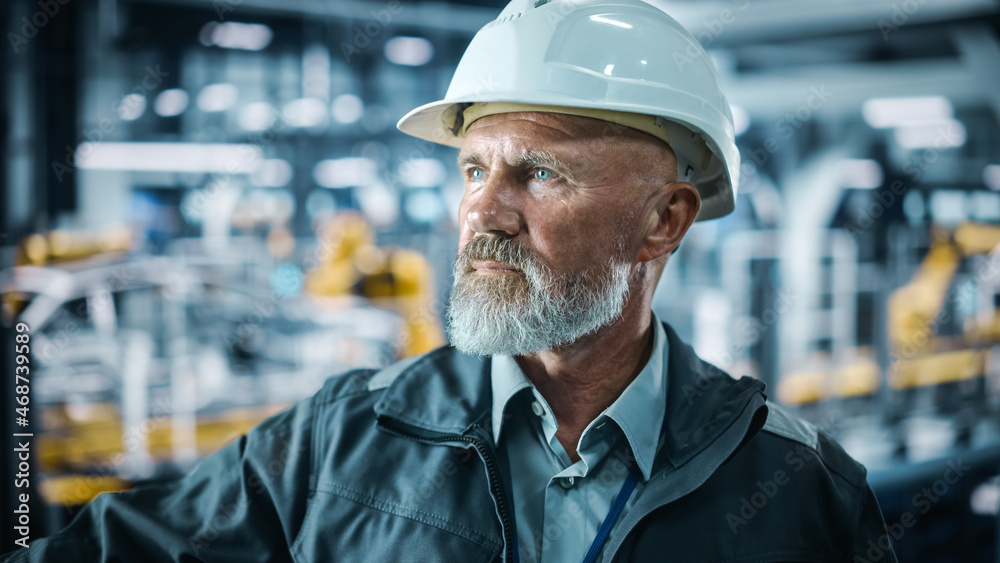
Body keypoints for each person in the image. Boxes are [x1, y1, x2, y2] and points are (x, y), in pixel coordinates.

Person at [4, 0, 896, 561]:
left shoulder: (802, 487)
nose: (486, 213)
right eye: (474, 170)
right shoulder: (334, 443)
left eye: (540, 173)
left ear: (663, 220)